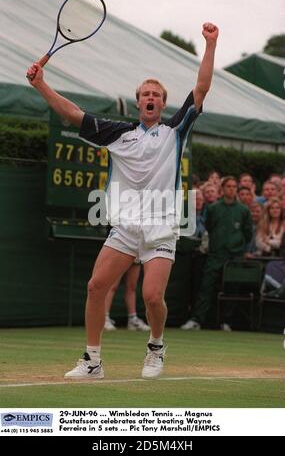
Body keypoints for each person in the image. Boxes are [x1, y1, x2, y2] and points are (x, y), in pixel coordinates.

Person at [27, 22, 219, 379]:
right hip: (126, 228)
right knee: (96, 286)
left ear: (162, 104)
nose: (150, 98)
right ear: (138, 102)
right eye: (145, 93)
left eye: (156, 95)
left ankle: (156, 346)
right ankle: (92, 361)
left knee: (151, 297)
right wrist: (40, 85)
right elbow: (72, 113)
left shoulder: (176, 130)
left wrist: (210, 45)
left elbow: (202, 87)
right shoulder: (119, 134)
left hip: (161, 228)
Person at [182, 176, 253, 331]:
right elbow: (209, 227)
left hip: (235, 256)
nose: (231, 189)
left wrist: (239, 247)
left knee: (232, 289)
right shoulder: (214, 208)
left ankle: (226, 322)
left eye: (234, 186)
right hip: (215, 255)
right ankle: (197, 320)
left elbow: (248, 234)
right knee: (206, 287)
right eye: (228, 186)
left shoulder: (243, 210)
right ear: (222, 188)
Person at [104, 262, 150, 331]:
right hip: (122, 253)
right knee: (112, 286)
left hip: (136, 255)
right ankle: (104, 319)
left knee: (132, 287)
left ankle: (132, 320)